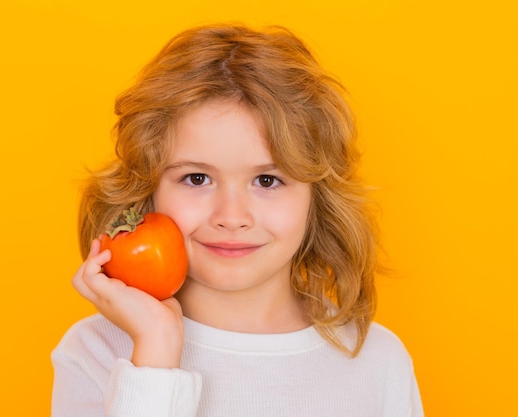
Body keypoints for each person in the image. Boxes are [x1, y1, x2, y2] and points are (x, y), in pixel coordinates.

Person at [51, 23, 424, 417]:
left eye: (267, 180)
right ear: (149, 190)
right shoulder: (98, 351)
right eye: (197, 178)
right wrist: (156, 353)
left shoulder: (376, 361)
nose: (232, 217)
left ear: (316, 198)